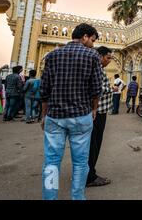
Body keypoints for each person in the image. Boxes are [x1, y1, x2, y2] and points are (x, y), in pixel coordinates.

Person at [40, 23, 102, 200]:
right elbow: (96, 88)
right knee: (81, 163)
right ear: (84, 37)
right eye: (92, 40)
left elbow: (44, 89)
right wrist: (94, 109)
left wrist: (44, 115)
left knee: (51, 162)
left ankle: (49, 197)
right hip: (81, 116)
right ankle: (77, 197)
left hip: (55, 117)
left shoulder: (52, 55)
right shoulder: (92, 56)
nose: (92, 44)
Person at [87, 46, 113, 188]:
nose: (109, 61)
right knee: (93, 144)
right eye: (108, 58)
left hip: (98, 111)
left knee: (92, 143)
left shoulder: (97, 68)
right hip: (96, 112)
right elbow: (95, 88)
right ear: (101, 56)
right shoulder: (96, 68)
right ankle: (90, 176)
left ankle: (87, 172)